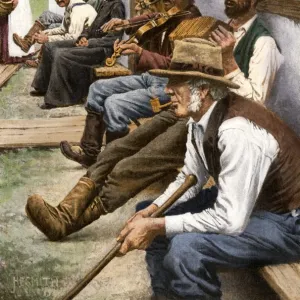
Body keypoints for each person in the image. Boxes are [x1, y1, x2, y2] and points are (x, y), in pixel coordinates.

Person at [24, 0, 282, 242]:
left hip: (217, 123)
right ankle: (66, 209)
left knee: (136, 164)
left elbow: (256, 103)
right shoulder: (225, 30)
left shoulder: (264, 43)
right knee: (119, 148)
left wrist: (227, 60)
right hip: (194, 108)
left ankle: (69, 223)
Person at [115, 38, 300, 300]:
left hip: (287, 221)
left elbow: (230, 220)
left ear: (202, 90)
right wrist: (154, 210)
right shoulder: (199, 118)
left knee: (186, 248)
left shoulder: (237, 130)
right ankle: (165, 296)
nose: (167, 90)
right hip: (250, 203)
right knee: (146, 211)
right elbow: (190, 179)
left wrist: (158, 224)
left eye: (175, 84)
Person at [60, 0, 201, 166]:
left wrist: (139, 51)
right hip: (153, 76)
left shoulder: (193, 23)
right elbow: (153, 17)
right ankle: (90, 153)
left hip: (173, 87)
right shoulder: (172, 13)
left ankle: (113, 162)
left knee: (114, 104)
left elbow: (176, 66)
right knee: (98, 88)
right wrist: (125, 23)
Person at [31, 0, 125, 109]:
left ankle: (58, 99)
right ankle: (43, 87)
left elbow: (114, 39)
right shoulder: (104, 4)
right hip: (90, 43)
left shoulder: (117, 6)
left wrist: (90, 42)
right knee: (49, 46)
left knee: (61, 54)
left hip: (102, 50)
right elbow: (90, 28)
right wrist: (83, 37)